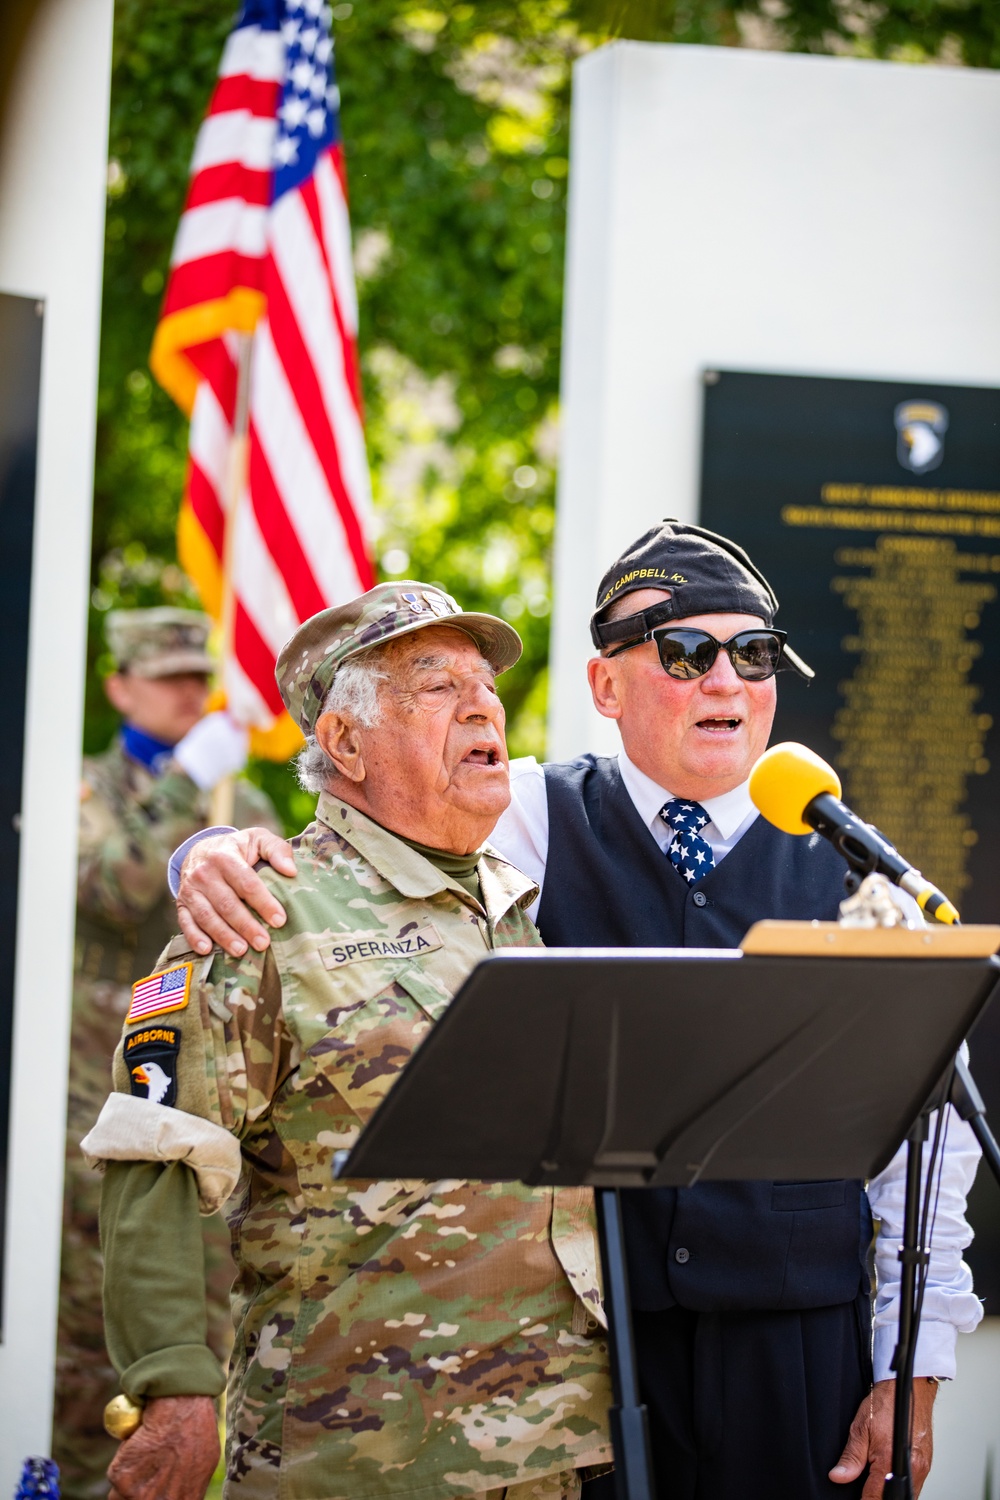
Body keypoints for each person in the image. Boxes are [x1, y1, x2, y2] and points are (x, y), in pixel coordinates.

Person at [172, 524, 984, 1500]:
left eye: (754, 654)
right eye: (686, 653)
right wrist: (209, 850)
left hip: (798, 1347)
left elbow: (926, 1153)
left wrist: (911, 1362)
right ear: (605, 688)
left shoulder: (851, 862)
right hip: (601, 1356)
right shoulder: (521, 815)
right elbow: (362, 828)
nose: (725, 681)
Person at [84, 583, 613, 1500]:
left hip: (552, 1450)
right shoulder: (261, 918)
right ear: (345, 743)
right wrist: (173, 1385)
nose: (483, 701)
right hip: (353, 1452)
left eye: (483, 683)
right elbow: (154, 1155)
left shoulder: (516, 900)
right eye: (436, 684)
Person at [53, 607, 280, 1499]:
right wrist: (184, 782)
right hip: (92, 1107)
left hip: (206, 1109)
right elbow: (112, 886)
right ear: (120, 686)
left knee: (207, 1335)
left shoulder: (245, 803)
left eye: (201, 674)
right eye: (171, 675)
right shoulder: (85, 792)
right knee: (89, 1348)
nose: (194, 691)